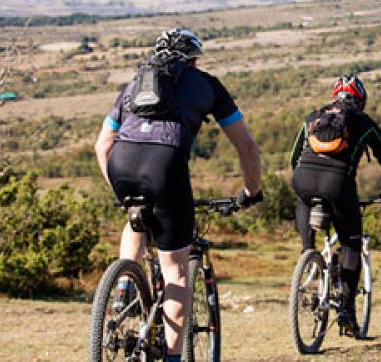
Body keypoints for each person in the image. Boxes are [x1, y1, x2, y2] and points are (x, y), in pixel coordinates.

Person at [94, 28, 262, 362]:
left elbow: (102, 145)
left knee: (136, 217)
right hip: (165, 164)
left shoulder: (134, 84)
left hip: (121, 163)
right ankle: (172, 357)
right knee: (177, 270)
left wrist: (121, 191)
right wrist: (251, 192)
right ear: (194, 58)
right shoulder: (207, 84)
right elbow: (246, 146)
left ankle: (124, 287)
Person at [290, 74, 381, 337]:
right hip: (338, 184)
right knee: (351, 244)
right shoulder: (363, 122)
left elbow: (293, 157)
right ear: (360, 101)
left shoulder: (313, 116)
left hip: (303, 180)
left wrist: (305, 178)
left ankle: (308, 254)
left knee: (303, 198)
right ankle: (346, 310)